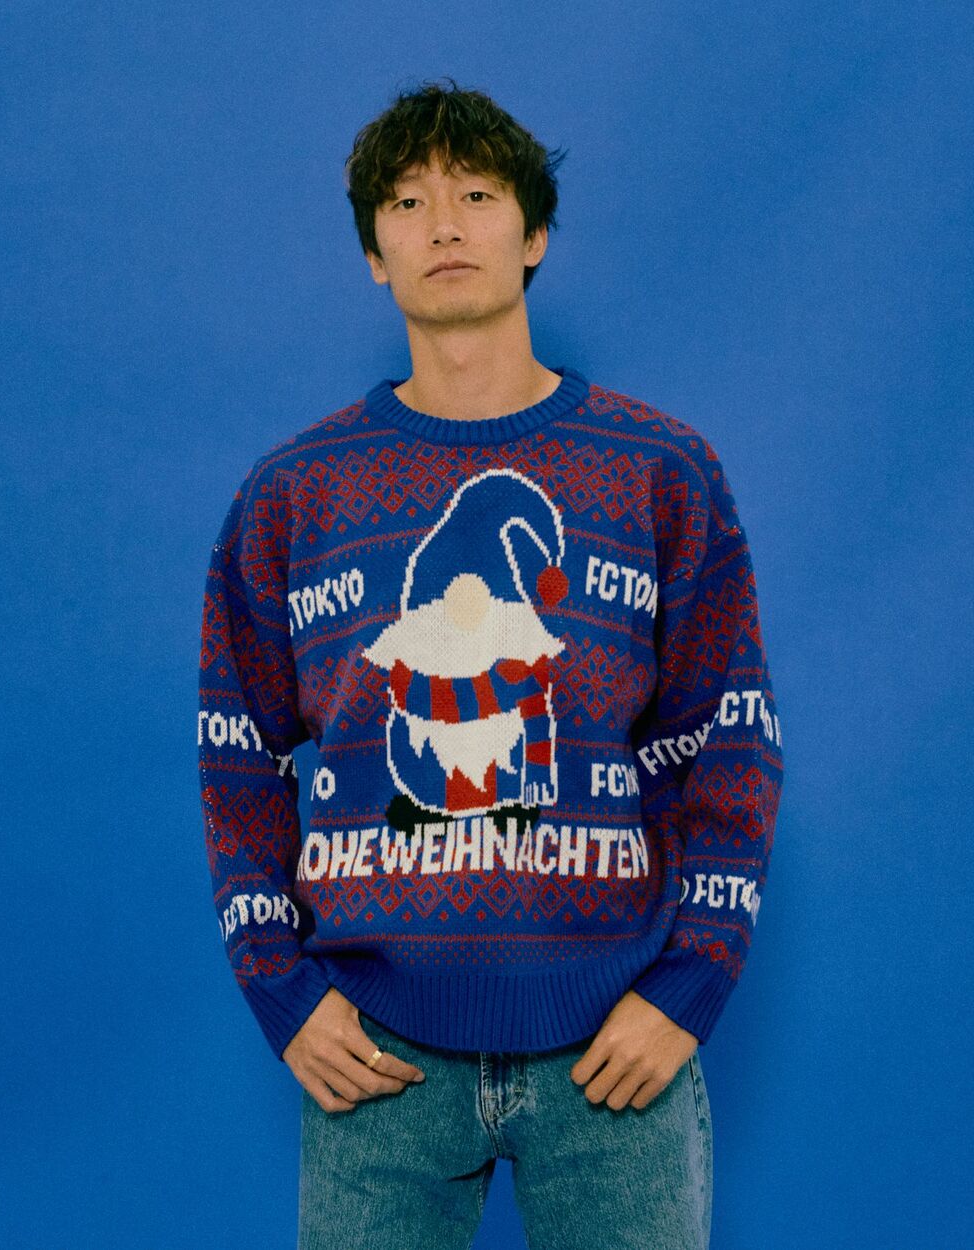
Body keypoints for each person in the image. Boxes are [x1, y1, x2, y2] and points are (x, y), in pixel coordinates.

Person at [197, 77, 784, 1250]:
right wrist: (278, 985)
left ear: (534, 233)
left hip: (614, 1045)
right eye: (407, 203)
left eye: (475, 195)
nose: (445, 226)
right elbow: (237, 753)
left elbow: (728, 740)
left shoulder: (660, 471)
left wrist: (692, 981)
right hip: (376, 1057)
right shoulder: (292, 494)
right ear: (374, 254)